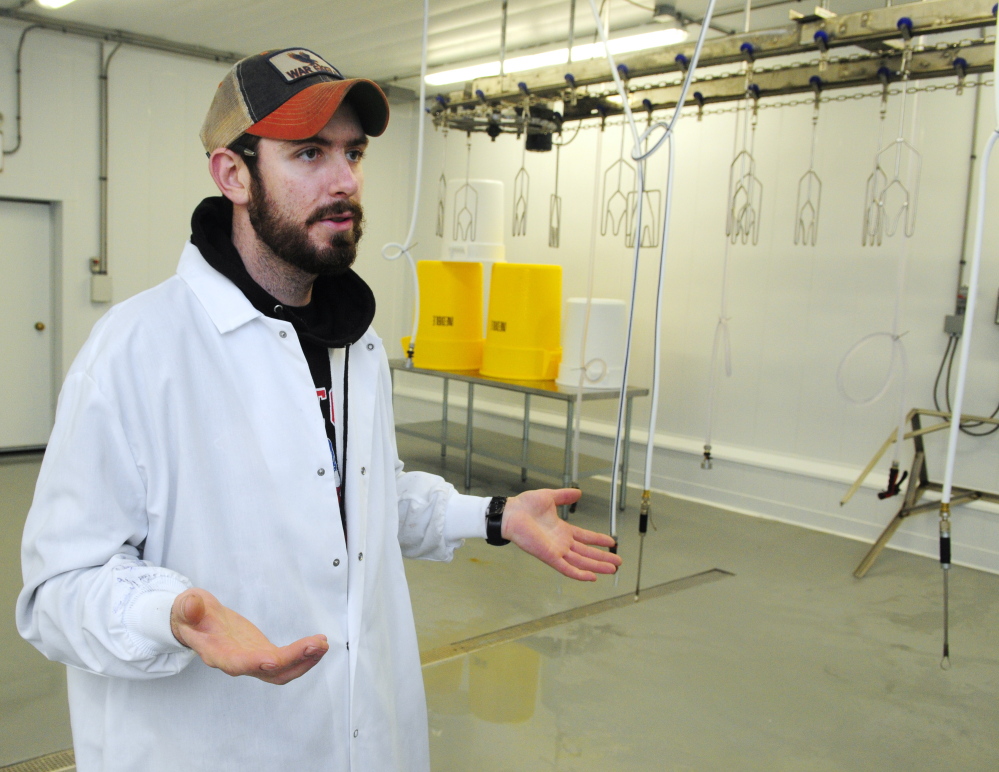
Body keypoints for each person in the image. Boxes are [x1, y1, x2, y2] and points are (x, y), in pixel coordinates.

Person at [16, 47, 621, 772]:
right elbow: (57, 591)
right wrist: (171, 616)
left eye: (353, 153)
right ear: (232, 174)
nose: (344, 182)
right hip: (209, 748)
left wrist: (493, 517)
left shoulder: (351, 345)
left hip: (362, 739)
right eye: (308, 153)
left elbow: (363, 501)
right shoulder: (138, 350)